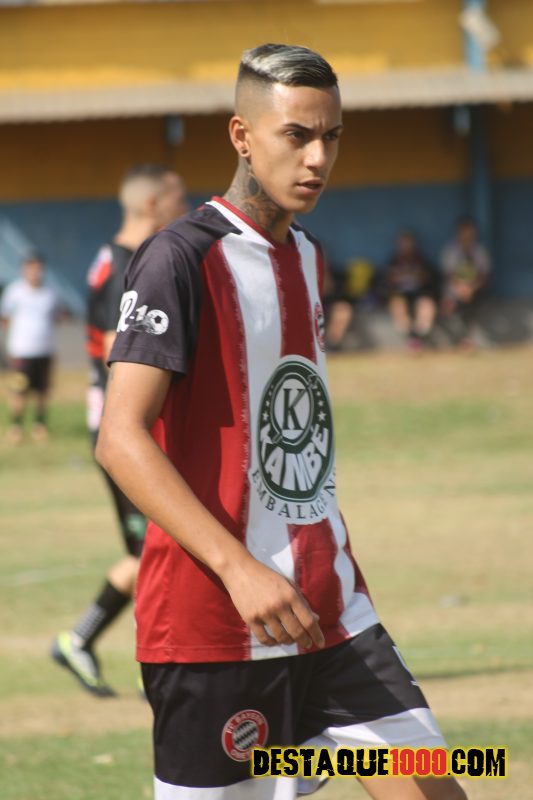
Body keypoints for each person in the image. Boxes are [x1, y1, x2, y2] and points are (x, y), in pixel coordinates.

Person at [96, 45, 467, 799]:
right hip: (214, 629)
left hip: (332, 614)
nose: (317, 158)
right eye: (296, 135)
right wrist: (239, 569)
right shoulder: (178, 259)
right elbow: (119, 438)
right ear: (242, 135)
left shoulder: (306, 254)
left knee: (439, 787)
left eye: (331, 136)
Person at [51, 164, 189, 697]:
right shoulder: (130, 264)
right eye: (179, 198)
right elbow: (120, 350)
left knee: (154, 547)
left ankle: (83, 641)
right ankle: (152, 660)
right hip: (125, 434)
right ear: (153, 204)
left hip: (124, 429)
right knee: (161, 547)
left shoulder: (115, 257)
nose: (186, 207)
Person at [0, 253, 64, 444]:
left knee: (42, 391)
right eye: (31, 268)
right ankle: (16, 426)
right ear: (24, 270)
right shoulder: (14, 292)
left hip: (44, 350)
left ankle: (39, 426)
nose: (35, 272)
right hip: (21, 351)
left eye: (38, 268)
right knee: (19, 390)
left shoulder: (50, 293)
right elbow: (5, 318)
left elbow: (58, 317)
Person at [382, 230, 439, 352]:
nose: (406, 246)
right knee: (397, 305)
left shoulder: (421, 260)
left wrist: (416, 275)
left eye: (409, 243)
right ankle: (411, 338)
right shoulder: (393, 261)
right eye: (403, 243)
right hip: (400, 295)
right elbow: (388, 281)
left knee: (426, 304)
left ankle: (419, 338)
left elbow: (428, 279)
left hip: (419, 294)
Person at [439, 217, 491, 351]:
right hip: (454, 291)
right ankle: (461, 339)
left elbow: (484, 276)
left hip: (476, 290)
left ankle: (467, 339)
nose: (467, 236)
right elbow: (449, 276)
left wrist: (471, 288)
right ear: (458, 233)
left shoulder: (480, 251)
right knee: (451, 303)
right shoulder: (450, 251)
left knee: (469, 299)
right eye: (464, 233)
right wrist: (461, 288)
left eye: (470, 233)